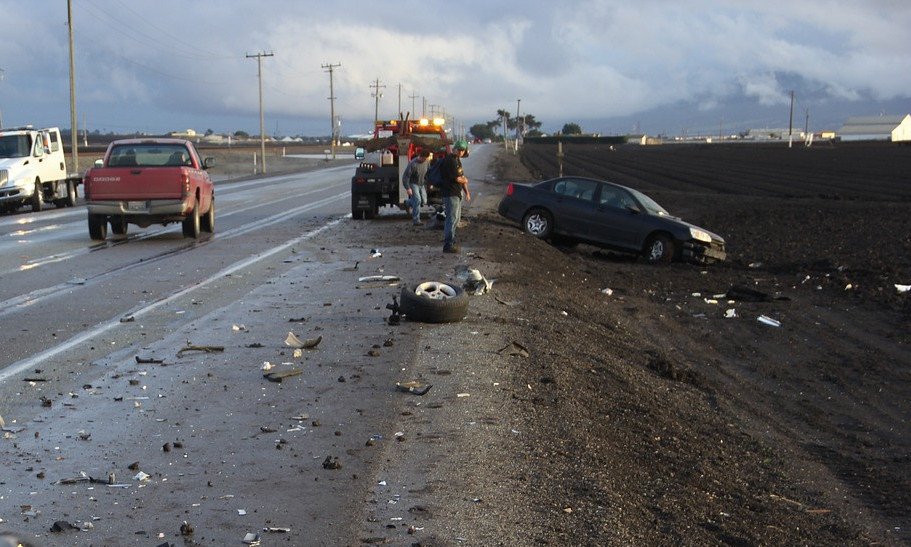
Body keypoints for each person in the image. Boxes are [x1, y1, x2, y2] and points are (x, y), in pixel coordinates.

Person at [440, 139, 470, 253]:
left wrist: (467, 192)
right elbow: (457, 178)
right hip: (450, 193)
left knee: (456, 219)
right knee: (451, 219)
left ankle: (451, 241)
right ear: (455, 149)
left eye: (463, 150)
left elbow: (462, 179)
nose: (461, 152)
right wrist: (464, 179)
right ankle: (448, 244)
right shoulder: (450, 161)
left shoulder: (458, 161)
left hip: (456, 193)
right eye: (460, 150)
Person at [402, 149, 431, 225]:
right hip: (413, 184)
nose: (426, 160)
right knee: (417, 200)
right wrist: (408, 188)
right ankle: (416, 220)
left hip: (422, 184)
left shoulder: (427, 162)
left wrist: (430, 183)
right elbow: (406, 177)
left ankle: (408, 203)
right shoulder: (412, 164)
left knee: (424, 201)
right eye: (424, 158)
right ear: (420, 157)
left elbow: (428, 173)